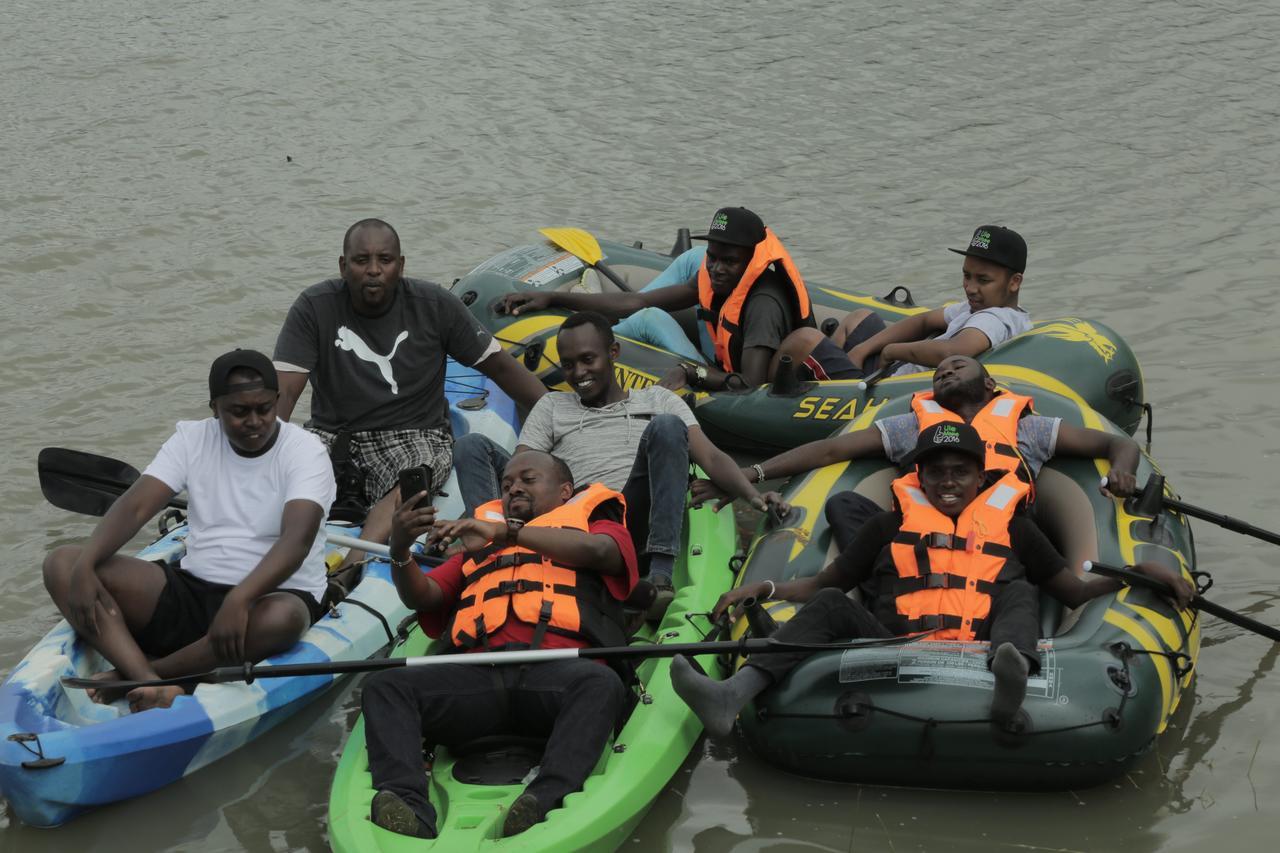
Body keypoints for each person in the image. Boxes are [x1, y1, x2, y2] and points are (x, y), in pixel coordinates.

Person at [671, 422, 1194, 733]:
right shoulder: (887, 525)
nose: (947, 481)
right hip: (896, 645)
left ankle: (1012, 680)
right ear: (917, 477)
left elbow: (1073, 590)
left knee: (1019, 588)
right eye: (936, 471)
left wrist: (1136, 575)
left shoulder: (1013, 528)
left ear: (980, 479)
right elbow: (820, 585)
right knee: (832, 606)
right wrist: (763, 588)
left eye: (960, 472)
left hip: (980, 649)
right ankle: (731, 695)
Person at [360, 449, 637, 839]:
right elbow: (424, 597)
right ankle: (408, 802)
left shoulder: (594, 526)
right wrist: (400, 549)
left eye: (527, 479)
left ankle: (546, 799)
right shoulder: (480, 549)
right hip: (478, 686)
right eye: (506, 485)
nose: (513, 489)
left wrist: (506, 531)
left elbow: (601, 554)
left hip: (557, 680)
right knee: (384, 686)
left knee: (600, 684)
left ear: (564, 492)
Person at [42, 350, 336, 713]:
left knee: (283, 620)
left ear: (277, 400)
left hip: (271, 597)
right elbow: (136, 506)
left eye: (264, 408)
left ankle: (148, 676)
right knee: (63, 564)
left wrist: (240, 598)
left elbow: (297, 541)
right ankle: (147, 681)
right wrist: (86, 565)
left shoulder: (306, 451)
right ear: (215, 408)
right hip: (193, 589)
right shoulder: (191, 438)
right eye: (239, 412)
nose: (255, 421)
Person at [454, 311, 786, 615]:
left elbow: (711, 456)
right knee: (471, 446)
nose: (578, 373)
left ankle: (659, 576)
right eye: (568, 365)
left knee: (667, 427)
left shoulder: (658, 400)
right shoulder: (552, 405)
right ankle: (487, 553)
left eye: (587, 360)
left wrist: (754, 496)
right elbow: (520, 472)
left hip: (629, 516)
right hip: (571, 521)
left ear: (613, 353)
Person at [692, 355, 1140, 567]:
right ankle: (876, 587)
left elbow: (1119, 445)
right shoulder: (914, 426)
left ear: (990, 384)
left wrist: (1123, 470)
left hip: (1003, 542)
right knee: (842, 506)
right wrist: (747, 474)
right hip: (922, 542)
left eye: (958, 365)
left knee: (1033, 540)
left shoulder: (1027, 427)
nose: (945, 370)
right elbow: (831, 450)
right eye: (939, 369)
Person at [272, 218, 547, 560]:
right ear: (343, 266)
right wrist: (267, 457)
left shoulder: (434, 305)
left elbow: (502, 368)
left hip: (414, 434)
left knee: (416, 473)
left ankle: (358, 559)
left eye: (385, 260)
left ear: (400, 265)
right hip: (334, 434)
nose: (374, 270)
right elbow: (283, 394)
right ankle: (277, 544)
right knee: (291, 461)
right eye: (361, 261)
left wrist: (560, 419)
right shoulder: (314, 306)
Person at [501, 207, 815, 391]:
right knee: (646, 311)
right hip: (719, 361)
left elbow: (750, 387)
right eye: (713, 257)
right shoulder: (717, 278)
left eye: (729, 261)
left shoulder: (763, 305)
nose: (717, 269)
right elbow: (638, 301)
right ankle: (586, 337)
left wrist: (695, 374)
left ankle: (576, 349)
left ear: (752, 260)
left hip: (730, 383)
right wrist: (552, 296)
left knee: (648, 319)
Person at [778, 224, 1031, 381]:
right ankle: (834, 376)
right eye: (967, 276)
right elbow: (923, 320)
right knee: (860, 317)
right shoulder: (979, 307)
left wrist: (891, 351)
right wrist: (863, 349)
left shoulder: (995, 319)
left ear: (1014, 282)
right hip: (891, 369)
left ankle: (765, 397)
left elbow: (952, 351)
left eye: (983, 280)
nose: (970, 287)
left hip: (887, 389)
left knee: (804, 340)